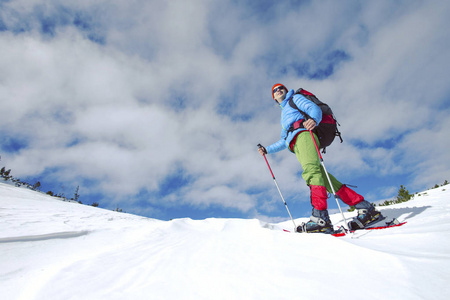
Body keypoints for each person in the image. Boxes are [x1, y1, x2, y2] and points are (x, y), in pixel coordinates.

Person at [258, 83, 381, 233]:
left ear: (285, 90)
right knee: (323, 177)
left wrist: (314, 120)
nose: (278, 90)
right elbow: (284, 140)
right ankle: (364, 207)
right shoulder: (284, 116)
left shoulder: (294, 99)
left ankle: (320, 217)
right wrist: (267, 150)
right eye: (274, 91)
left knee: (312, 172)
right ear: (274, 98)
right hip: (296, 144)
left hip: (304, 136)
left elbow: (313, 108)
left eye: (280, 88)